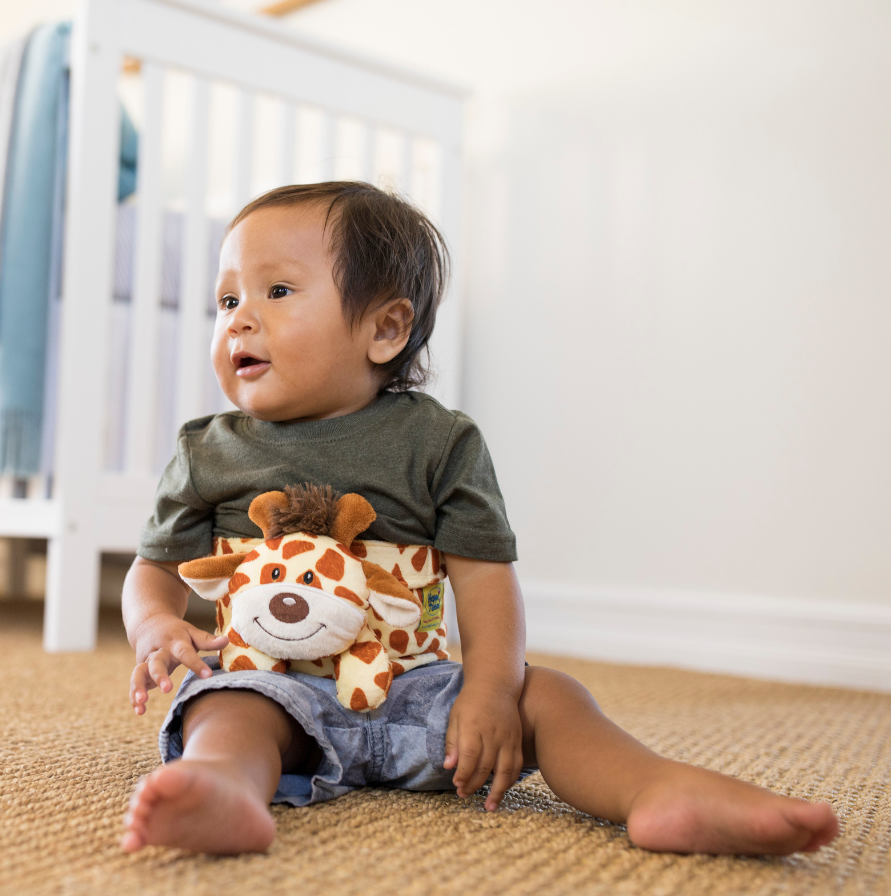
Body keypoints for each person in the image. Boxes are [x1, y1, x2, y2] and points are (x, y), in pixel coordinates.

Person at [120, 182, 839, 858]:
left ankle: (654, 789)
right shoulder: (206, 450)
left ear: (385, 328)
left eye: (276, 291)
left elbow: (485, 578)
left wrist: (491, 690)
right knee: (226, 708)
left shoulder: (439, 442)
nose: (239, 318)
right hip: (275, 688)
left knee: (550, 695)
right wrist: (155, 624)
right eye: (225, 300)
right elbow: (151, 572)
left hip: (418, 697)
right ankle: (222, 788)